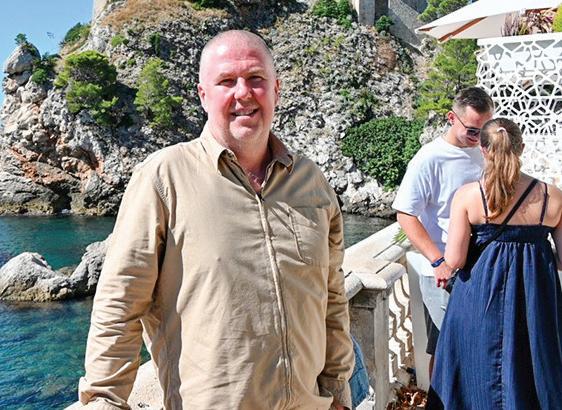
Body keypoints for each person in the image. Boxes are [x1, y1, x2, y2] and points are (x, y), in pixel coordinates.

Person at [78, 30, 354, 409]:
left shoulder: (311, 182)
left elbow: (332, 296)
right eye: (226, 81)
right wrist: (105, 399)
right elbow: (120, 304)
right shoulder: (163, 179)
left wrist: (338, 390)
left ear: (276, 89)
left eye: (256, 78)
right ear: (203, 95)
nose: (243, 93)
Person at [427, 118, 562, 409]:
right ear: (521, 148)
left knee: (476, 376)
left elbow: (455, 259)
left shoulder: (468, 195)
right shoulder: (552, 196)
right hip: (535, 302)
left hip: (479, 297)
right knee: (533, 376)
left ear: (483, 150)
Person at [392, 87, 494, 375]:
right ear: (451, 118)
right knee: (445, 348)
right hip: (444, 272)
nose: (479, 137)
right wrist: (438, 261)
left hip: (481, 267)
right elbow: (405, 214)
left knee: (478, 347)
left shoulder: (486, 152)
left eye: (485, 130)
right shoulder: (429, 159)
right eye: (473, 131)